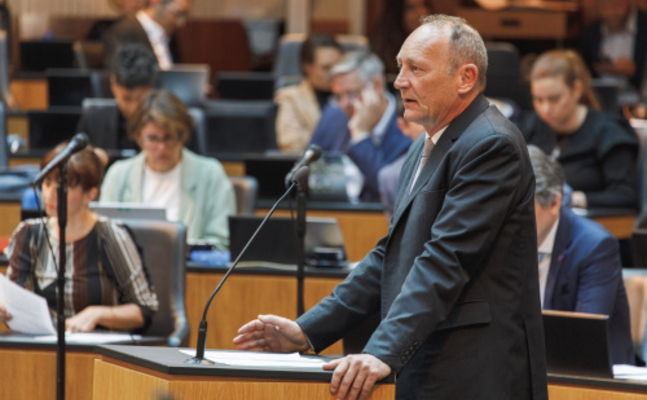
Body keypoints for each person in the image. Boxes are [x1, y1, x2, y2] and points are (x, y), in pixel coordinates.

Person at [234, 15, 547, 400]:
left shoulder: (491, 145)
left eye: (416, 69)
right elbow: (391, 254)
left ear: (465, 78)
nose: (399, 81)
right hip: (432, 364)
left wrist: (381, 351)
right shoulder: (425, 145)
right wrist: (308, 331)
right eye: (400, 67)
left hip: (478, 373)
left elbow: (445, 260)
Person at [0, 144, 158, 333]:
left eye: (63, 186)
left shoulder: (110, 236)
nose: (50, 194)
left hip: (97, 352)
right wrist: (6, 310)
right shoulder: (28, 233)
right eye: (47, 182)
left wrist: (98, 313)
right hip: (39, 348)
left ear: (90, 194)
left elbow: (144, 310)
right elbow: (16, 299)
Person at [529, 145, 634, 365]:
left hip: (593, 380)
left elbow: (584, 339)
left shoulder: (595, 247)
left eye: (523, 210)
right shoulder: (504, 242)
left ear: (555, 202)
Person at [100, 89, 235, 249]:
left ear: (182, 135)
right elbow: (103, 240)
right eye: (153, 138)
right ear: (138, 137)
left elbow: (221, 243)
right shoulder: (118, 175)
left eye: (169, 137)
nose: (162, 147)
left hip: (190, 272)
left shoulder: (211, 174)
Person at [521, 49, 639, 209]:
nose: (545, 109)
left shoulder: (609, 132)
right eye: (538, 99)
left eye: (554, 99)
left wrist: (573, 199)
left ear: (577, 89)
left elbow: (625, 196)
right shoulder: (528, 126)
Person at [309, 51, 411, 201]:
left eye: (351, 93)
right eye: (338, 96)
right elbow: (307, 171)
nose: (344, 104)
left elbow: (390, 190)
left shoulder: (408, 126)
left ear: (377, 85)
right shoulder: (333, 115)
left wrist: (361, 136)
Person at [77, 43, 157, 151]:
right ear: (113, 85)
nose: (133, 108)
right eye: (127, 98)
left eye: (141, 98)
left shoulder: (170, 126)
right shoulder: (93, 121)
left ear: (151, 88)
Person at [274, 34, 343, 153]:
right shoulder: (290, 97)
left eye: (338, 66)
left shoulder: (352, 95)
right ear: (308, 67)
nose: (334, 73)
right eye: (326, 68)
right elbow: (290, 144)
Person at [579, 0, 647, 96]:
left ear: (628, 3)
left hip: (638, 99)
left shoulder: (643, 26)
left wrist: (634, 71)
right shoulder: (590, 32)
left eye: (616, 5)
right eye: (604, 6)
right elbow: (584, 70)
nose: (610, 12)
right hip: (600, 99)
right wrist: (600, 67)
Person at [102, 0, 192, 70]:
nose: (181, 23)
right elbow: (120, 77)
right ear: (156, 1)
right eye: (178, 13)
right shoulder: (122, 32)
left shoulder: (170, 36)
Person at [377, 97, 425, 219]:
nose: (431, 126)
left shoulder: (464, 159)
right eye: (422, 119)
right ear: (403, 126)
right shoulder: (390, 177)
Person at [370, 0, 432, 74]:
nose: (422, 13)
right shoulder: (381, 54)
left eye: (425, 5)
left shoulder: (436, 44)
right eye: (411, 8)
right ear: (396, 14)